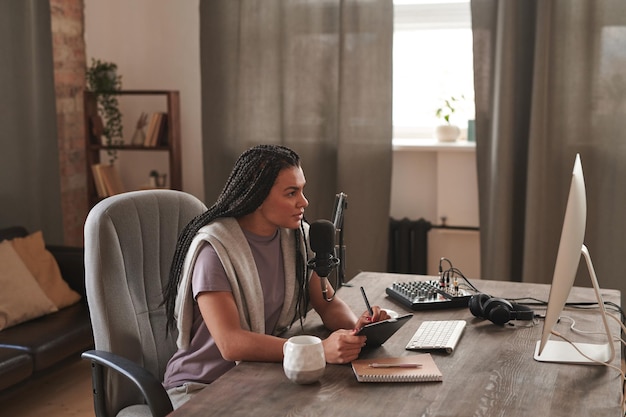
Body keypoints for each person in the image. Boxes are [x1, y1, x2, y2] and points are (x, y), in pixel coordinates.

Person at [162, 144, 388, 408]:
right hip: (203, 387)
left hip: (258, 376)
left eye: (302, 190)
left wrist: (357, 331)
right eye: (291, 193)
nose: (304, 202)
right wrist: (316, 350)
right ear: (257, 196)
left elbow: (326, 304)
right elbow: (230, 343)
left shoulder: (298, 239)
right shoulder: (215, 251)